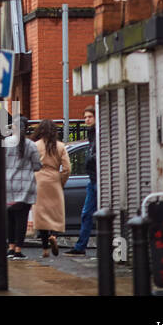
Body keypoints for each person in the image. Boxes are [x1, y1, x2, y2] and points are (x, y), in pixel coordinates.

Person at [31, 119, 70, 256]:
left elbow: (30, 165)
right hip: (54, 179)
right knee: (56, 212)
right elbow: (67, 168)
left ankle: (45, 248)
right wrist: (61, 181)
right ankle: (54, 235)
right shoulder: (60, 146)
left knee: (41, 214)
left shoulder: (35, 145)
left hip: (39, 179)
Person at [4, 120, 39, 259]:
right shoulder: (31, 144)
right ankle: (18, 250)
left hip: (8, 184)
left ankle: (10, 248)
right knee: (21, 219)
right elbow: (37, 165)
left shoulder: (6, 142)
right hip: (25, 185)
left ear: (13, 127)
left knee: (9, 218)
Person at [66, 106, 98, 256]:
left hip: (99, 180)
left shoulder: (98, 134)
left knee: (98, 214)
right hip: (92, 181)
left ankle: (82, 246)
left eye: (89, 117)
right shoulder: (91, 135)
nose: (86, 120)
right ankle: (80, 246)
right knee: (86, 213)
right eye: (85, 117)